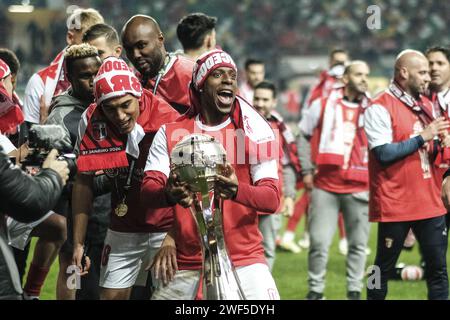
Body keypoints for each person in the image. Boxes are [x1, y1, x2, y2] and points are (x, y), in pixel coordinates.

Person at [141, 49, 281, 300]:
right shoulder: (170, 132)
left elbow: (272, 199)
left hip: (245, 258)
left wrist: (238, 190)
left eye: (232, 75)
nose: (228, 80)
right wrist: (168, 194)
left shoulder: (254, 133)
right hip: (187, 261)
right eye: (218, 75)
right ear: (201, 85)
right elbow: (148, 191)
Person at [72, 56, 179, 300]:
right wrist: (78, 243)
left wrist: (174, 235)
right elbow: (83, 182)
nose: (119, 116)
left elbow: (189, 186)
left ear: (139, 96)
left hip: (166, 228)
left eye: (125, 105)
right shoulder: (90, 120)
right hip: (122, 226)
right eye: (110, 108)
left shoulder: (168, 119)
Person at [365, 50, 449, 300]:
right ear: (404, 73)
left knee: (438, 271)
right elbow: (383, 153)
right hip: (396, 203)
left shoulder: (427, 104)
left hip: (430, 202)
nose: (428, 77)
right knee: (380, 269)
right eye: (422, 72)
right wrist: (423, 136)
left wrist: (441, 143)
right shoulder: (379, 106)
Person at [298, 61, 371, 300]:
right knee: (318, 243)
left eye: (366, 75)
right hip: (325, 186)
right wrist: (307, 170)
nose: (364, 79)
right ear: (346, 79)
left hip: (359, 186)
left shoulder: (374, 108)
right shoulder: (322, 105)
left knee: (358, 246)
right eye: (359, 74)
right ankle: (316, 291)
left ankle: (354, 291)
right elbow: (303, 136)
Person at [45, 43, 104, 300]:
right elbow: (61, 177)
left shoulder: (107, 105)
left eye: (96, 74)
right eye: (85, 75)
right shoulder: (60, 118)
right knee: (73, 276)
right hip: (76, 215)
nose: (93, 81)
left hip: (106, 215)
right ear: (69, 77)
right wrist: (110, 177)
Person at [0, 144, 69, 300]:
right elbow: (31, 201)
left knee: (60, 230)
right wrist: (53, 176)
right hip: (14, 209)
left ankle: (31, 294)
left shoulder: (15, 131)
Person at [22, 8, 103, 125]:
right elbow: (25, 141)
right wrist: (45, 128)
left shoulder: (109, 75)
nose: (91, 51)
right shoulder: (40, 83)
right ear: (70, 38)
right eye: (87, 43)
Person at [253, 80, 300, 270]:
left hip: (271, 200)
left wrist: (289, 196)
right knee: (236, 250)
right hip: (241, 200)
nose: (260, 103)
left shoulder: (280, 128)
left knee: (268, 250)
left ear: (274, 102)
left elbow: (288, 165)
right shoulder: (239, 123)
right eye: (257, 98)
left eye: (265, 99)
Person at [121, 15, 194, 114]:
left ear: (160, 39)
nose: (135, 55)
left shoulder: (190, 75)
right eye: (129, 49)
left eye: (141, 45)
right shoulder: (131, 83)